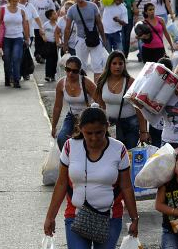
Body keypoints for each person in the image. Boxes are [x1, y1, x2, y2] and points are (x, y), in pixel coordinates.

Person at [43, 106, 140, 248]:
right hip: (75, 216)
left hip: (110, 218)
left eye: (99, 132)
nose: (94, 138)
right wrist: (50, 217)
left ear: (107, 127)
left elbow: (126, 186)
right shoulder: (70, 146)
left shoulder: (119, 149)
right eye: (89, 133)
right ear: (80, 128)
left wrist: (134, 218)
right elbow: (62, 184)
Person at [94, 51, 149, 150]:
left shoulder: (130, 82)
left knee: (129, 154)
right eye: (114, 63)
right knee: (112, 154)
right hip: (110, 125)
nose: (117, 66)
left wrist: (143, 131)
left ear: (124, 65)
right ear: (109, 64)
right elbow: (100, 104)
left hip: (130, 125)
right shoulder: (102, 81)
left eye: (120, 63)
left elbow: (139, 108)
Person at [51, 56, 99, 149]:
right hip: (72, 116)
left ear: (79, 71)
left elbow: (100, 101)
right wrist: (54, 126)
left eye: (74, 71)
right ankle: (68, 161)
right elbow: (57, 106)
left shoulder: (86, 82)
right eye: (67, 69)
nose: (70, 73)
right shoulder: (61, 83)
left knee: (85, 142)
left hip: (87, 117)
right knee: (61, 138)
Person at [64, 0, 108, 82]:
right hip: (81, 40)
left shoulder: (93, 6)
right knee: (81, 65)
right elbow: (67, 28)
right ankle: (83, 87)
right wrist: (65, 43)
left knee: (97, 65)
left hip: (95, 39)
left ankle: (97, 89)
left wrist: (104, 39)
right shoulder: (72, 10)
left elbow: (99, 23)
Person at [0, 0, 30, 88]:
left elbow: (25, 25)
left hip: (18, 38)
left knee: (16, 58)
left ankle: (16, 80)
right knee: (7, 59)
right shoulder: (3, 9)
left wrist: (27, 38)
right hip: (6, 38)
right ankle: (8, 77)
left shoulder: (22, 10)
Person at [30, 0, 57, 64]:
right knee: (38, 41)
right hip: (36, 25)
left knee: (45, 41)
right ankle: (37, 55)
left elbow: (53, 10)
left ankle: (42, 55)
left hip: (46, 24)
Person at [43, 9, 60, 82]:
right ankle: (47, 75)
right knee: (49, 59)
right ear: (50, 17)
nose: (56, 15)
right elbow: (42, 32)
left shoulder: (58, 24)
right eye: (54, 14)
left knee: (55, 60)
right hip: (48, 44)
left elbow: (60, 33)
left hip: (56, 44)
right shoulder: (46, 24)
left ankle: (53, 75)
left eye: (56, 13)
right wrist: (43, 37)